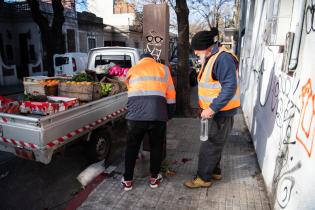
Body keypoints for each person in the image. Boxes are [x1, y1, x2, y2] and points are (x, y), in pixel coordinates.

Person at [184, 29, 240, 188]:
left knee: (209, 145)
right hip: (218, 111)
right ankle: (215, 170)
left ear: (207, 47)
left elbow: (229, 87)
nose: (195, 52)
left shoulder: (222, 59)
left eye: (197, 49)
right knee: (216, 143)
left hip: (220, 112)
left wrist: (212, 109)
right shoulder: (212, 56)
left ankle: (203, 178)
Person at [121, 53, 176, 191]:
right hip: (157, 115)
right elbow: (171, 94)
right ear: (153, 59)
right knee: (156, 146)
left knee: (131, 147)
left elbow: (129, 90)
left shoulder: (132, 70)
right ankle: (154, 179)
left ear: (141, 60)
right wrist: (169, 115)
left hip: (135, 117)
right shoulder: (163, 69)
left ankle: (127, 180)